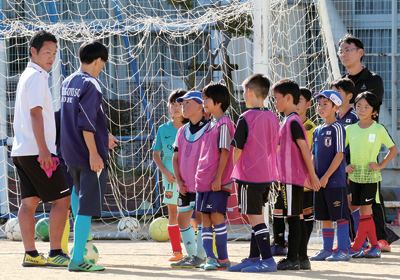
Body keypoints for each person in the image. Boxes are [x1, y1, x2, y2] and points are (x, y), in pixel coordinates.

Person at [11, 30, 71, 268]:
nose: (51, 57)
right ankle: (56, 252)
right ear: (33, 51)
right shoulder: (36, 77)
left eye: (54, 53)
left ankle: (31, 254)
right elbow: (36, 114)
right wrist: (45, 150)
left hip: (21, 150)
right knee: (63, 200)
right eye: (47, 52)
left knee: (29, 202)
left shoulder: (27, 75)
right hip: (37, 151)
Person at [338, 34, 398, 250]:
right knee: (349, 196)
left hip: (366, 144)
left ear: (360, 52)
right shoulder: (340, 83)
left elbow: (370, 110)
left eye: (347, 49)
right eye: (341, 51)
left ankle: (382, 237)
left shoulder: (373, 79)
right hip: (345, 144)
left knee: (372, 197)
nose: (343, 54)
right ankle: (356, 240)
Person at [60, 41, 110, 272]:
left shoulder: (68, 81)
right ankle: (78, 257)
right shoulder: (93, 84)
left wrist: (105, 135)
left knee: (77, 197)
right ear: (98, 60)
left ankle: (77, 248)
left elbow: (72, 117)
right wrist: (94, 152)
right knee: (86, 207)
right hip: (87, 154)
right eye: (103, 64)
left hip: (69, 152)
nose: (102, 68)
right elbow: (87, 122)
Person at [227, 74, 280, 272]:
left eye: (243, 91)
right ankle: (253, 257)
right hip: (267, 176)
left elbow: (237, 149)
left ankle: (267, 260)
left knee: (255, 218)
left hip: (248, 176)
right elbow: (276, 148)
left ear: (249, 92)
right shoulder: (273, 117)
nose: (242, 95)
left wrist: (229, 173)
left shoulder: (245, 117)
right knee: (256, 216)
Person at [271, 79, 320, 270]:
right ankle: (302, 258)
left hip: (292, 178)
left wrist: (313, 175)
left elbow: (305, 150)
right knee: (296, 216)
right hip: (288, 178)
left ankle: (293, 259)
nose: (274, 102)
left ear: (288, 98)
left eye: (276, 98)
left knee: (293, 217)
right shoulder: (288, 120)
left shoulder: (293, 121)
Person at [346, 92, 398, 258]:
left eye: (366, 107)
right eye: (359, 106)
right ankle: (374, 246)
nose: (361, 109)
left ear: (374, 111)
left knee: (365, 211)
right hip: (354, 177)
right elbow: (339, 151)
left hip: (371, 178)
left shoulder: (378, 129)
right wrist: (346, 166)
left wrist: (381, 165)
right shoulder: (349, 129)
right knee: (360, 210)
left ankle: (357, 245)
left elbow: (393, 149)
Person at [194, 83, 235, 270]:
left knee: (217, 217)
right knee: (205, 220)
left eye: (206, 99)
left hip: (216, 182)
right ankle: (210, 258)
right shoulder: (210, 124)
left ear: (218, 102)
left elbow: (225, 152)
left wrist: (218, 178)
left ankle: (223, 259)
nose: (203, 102)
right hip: (203, 181)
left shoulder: (224, 123)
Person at [309, 90, 350, 261]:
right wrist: (313, 176)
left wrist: (325, 177)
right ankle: (326, 249)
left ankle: (343, 250)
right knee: (324, 217)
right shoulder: (317, 129)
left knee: (340, 216)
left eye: (325, 103)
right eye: (319, 104)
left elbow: (340, 154)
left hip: (334, 182)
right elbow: (313, 155)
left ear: (335, 107)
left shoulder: (338, 128)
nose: (321, 107)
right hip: (319, 182)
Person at [171, 91, 208, 268]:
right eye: (181, 103)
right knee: (182, 218)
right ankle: (191, 254)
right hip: (184, 186)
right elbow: (175, 157)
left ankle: (201, 256)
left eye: (187, 103)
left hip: (202, 185)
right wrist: (179, 181)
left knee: (201, 218)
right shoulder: (181, 131)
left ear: (201, 106)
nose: (183, 107)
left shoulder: (209, 128)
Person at [152, 89, 188, 262]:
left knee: (192, 215)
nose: (176, 107)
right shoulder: (163, 129)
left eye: (180, 104)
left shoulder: (193, 128)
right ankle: (176, 251)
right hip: (171, 181)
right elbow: (155, 154)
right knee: (172, 213)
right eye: (173, 104)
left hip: (190, 180)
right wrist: (165, 172)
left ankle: (195, 250)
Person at [331, 78, 361, 248]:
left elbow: (360, 144)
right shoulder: (330, 115)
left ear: (349, 96)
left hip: (351, 166)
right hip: (334, 166)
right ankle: (345, 243)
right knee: (340, 206)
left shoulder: (355, 116)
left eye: (339, 92)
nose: (334, 96)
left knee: (353, 205)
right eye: (333, 92)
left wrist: (350, 167)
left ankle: (360, 242)